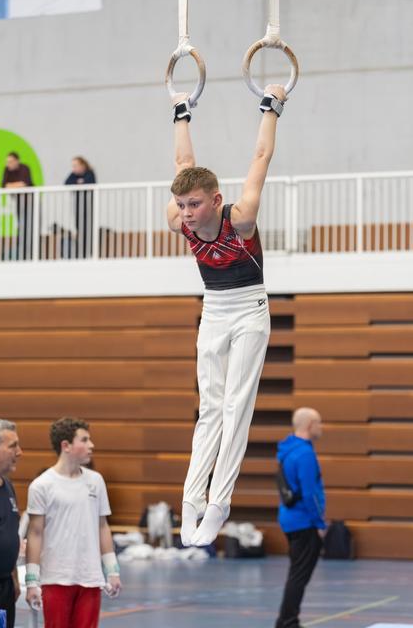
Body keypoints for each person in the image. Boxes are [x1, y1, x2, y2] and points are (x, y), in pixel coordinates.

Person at [167, 84, 287, 546]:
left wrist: (271, 106)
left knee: (237, 406)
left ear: (216, 200)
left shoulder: (241, 217)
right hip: (213, 310)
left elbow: (260, 157)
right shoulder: (181, 220)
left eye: (195, 204)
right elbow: (182, 165)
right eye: (182, 206)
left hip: (250, 311)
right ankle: (192, 499)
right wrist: (181, 111)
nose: (187, 214)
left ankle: (220, 502)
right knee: (210, 409)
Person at [25, 417, 121, 628]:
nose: (91, 445)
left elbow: (102, 526)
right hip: (55, 578)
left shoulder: (96, 481)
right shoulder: (42, 486)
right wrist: (31, 581)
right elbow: (35, 533)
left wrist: (112, 570)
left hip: (90, 578)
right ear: (66, 446)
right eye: (84, 440)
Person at [275, 408, 326, 628]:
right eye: (319, 423)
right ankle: (288, 622)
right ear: (310, 425)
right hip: (303, 521)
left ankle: (286, 620)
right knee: (299, 575)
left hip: (290, 518)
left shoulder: (289, 449)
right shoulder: (304, 454)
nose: (321, 428)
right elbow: (309, 493)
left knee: (297, 573)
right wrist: (319, 523)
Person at [0, 418, 23, 628]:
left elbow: (10, 534)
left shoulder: (8, 487)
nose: (19, 452)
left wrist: (14, 577)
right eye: (13, 446)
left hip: (4, 588)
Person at [1, 152, 34, 260]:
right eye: (7, 162)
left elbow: (24, 183)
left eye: (10, 161)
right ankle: (22, 253)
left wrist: (11, 186)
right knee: (21, 227)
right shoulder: (7, 170)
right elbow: (3, 185)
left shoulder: (24, 168)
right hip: (19, 204)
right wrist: (16, 185)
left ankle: (29, 253)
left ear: (17, 161)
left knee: (29, 227)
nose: (8, 164)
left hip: (30, 203)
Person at [64, 157, 96, 258]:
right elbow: (67, 183)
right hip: (78, 206)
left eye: (75, 165)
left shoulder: (89, 173)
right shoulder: (73, 174)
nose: (74, 168)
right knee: (79, 227)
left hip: (88, 205)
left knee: (88, 227)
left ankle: (90, 251)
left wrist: (79, 183)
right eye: (73, 166)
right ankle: (81, 251)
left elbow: (89, 182)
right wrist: (79, 182)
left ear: (82, 165)